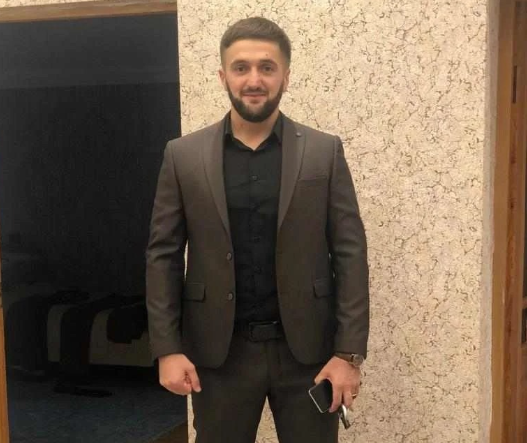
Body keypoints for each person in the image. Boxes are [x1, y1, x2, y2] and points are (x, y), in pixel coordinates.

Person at [145, 16, 369, 443]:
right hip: (219, 355)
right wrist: (167, 349)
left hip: (310, 355)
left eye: (267, 67)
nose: (254, 79)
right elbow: (163, 256)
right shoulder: (182, 156)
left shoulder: (323, 152)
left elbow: (350, 253)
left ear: (286, 76)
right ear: (223, 76)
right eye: (241, 67)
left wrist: (348, 354)